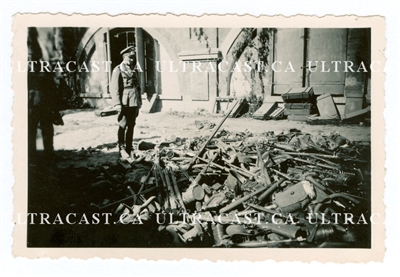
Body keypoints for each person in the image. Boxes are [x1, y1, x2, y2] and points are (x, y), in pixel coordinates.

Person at [110, 46, 142, 158]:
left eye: (133, 57)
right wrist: (117, 104)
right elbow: (114, 88)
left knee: (131, 125)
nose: (132, 60)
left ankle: (129, 147)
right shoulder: (118, 70)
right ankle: (121, 147)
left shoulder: (134, 70)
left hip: (134, 101)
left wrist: (139, 101)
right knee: (123, 124)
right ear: (124, 57)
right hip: (124, 102)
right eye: (130, 57)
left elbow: (137, 86)